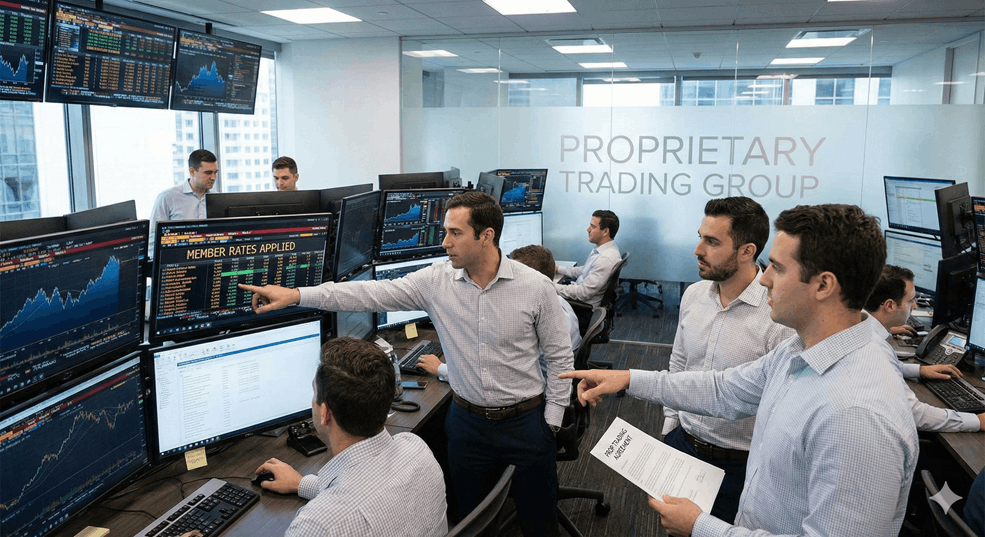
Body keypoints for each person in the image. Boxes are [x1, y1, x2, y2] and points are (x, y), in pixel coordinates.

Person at [561, 204, 919, 537]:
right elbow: (725, 390)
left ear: (823, 285)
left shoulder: (856, 415)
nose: (765, 279)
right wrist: (628, 379)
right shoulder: (802, 349)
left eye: (778, 268)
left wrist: (701, 527)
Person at [239, 192, 573, 537]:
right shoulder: (435, 282)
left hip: (526, 423)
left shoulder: (535, 287)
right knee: (475, 521)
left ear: (486, 236)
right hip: (467, 425)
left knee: (540, 524)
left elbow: (560, 358)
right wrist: (296, 296)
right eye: (445, 231)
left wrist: (551, 423)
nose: (445, 242)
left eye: (455, 233)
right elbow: (368, 293)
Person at [661, 197, 795, 523]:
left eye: (712, 242)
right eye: (700, 237)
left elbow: (784, 406)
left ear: (747, 251)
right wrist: (670, 427)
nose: (697, 250)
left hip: (739, 465)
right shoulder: (694, 295)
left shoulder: (778, 317)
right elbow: (679, 364)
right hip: (683, 443)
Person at [417, 244, 581, 381]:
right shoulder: (559, 302)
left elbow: (498, 376)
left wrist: (440, 368)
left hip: (535, 391)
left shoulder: (535, 319)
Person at [865, 265, 984, 432]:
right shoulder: (874, 348)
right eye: (910, 301)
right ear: (890, 305)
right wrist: (977, 421)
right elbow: (914, 414)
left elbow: (885, 368)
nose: (914, 306)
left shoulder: (864, 328)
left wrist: (920, 370)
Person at [149, 149, 217, 248]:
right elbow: (153, 238)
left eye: (215, 172)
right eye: (208, 173)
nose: (213, 177)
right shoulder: (167, 197)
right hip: (177, 254)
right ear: (192, 171)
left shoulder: (217, 198)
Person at [555, 209, 621, 308]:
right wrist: (557, 269)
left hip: (582, 307)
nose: (588, 229)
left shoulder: (605, 259)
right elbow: (584, 271)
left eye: (593, 226)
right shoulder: (602, 249)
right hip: (578, 294)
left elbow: (582, 293)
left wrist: (550, 286)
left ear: (605, 231)